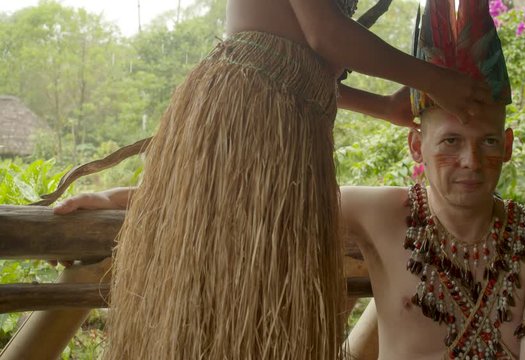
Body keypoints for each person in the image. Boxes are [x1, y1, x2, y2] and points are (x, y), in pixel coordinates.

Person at [57, 0, 491, 358]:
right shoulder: (258, 94)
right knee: (214, 312)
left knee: (260, 309)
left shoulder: (282, 90)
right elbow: (323, 33)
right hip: (247, 111)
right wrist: (434, 79)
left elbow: (298, 62)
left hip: (285, 125)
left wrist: (385, 108)